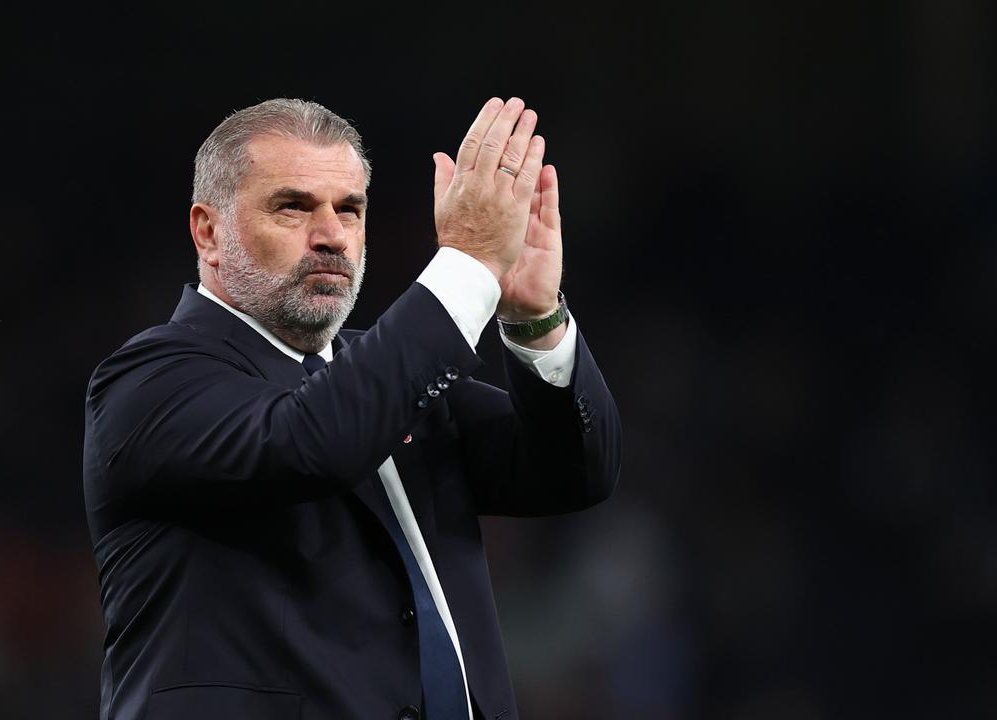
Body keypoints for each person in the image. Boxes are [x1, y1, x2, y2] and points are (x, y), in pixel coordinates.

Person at [82, 96, 622, 720]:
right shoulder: (148, 381)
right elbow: (316, 440)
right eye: (293, 207)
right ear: (209, 233)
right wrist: (468, 267)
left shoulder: (395, 373)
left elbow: (574, 472)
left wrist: (534, 318)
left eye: (350, 209)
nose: (332, 236)